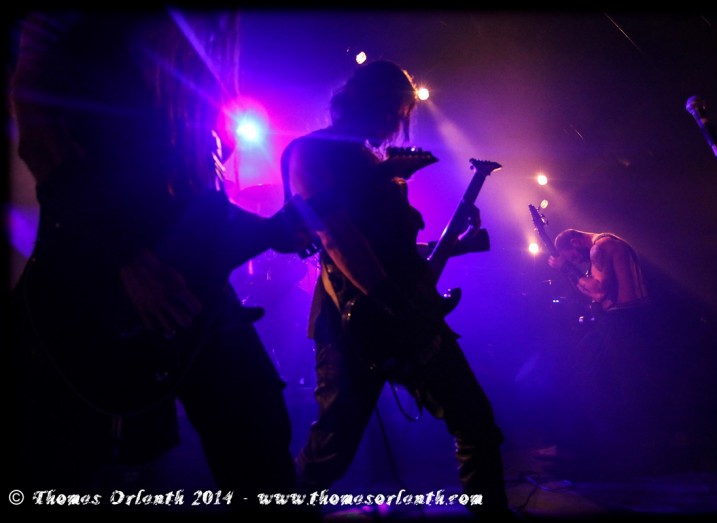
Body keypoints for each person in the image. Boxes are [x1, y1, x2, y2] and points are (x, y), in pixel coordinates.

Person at [9, 11, 313, 514]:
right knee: (60, 464)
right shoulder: (82, 32)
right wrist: (124, 258)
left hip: (190, 290)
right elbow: (40, 138)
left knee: (260, 440)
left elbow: (191, 200)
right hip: (85, 286)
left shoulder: (208, 49)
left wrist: (273, 231)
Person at [281, 59, 515, 519]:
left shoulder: (374, 160)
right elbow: (336, 236)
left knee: (475, 421)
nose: (396, 122)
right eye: (393, 110)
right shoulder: (311, 151)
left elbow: (394, 247)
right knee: (331, 449)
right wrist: (390, 301)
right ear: (363, 101)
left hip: (409, 311)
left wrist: (458, 245)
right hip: (354, 320)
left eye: (402, 113)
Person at [546, 228, 669, 478]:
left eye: (572, 255)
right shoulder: (612, 242)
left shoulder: (598, 248)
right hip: (635, 319)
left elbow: (599, 291)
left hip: (623, 321)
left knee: (609, 383)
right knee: (629, 385)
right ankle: (638, 453)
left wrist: (566, 268)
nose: (576, 259)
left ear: (575, 241)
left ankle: (619, 453)